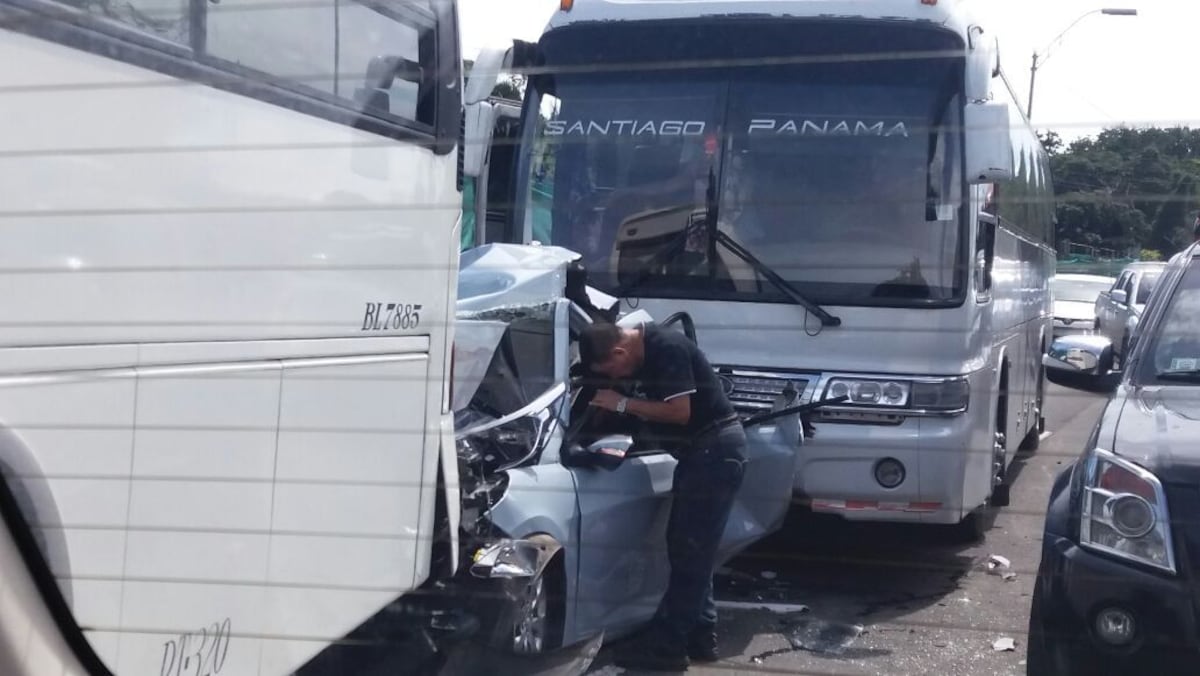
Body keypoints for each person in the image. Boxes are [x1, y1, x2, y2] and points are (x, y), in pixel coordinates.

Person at [580, 321, 746, 671]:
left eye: (614, 371)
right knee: (690, 549)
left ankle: (667, 644)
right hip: (702, 453)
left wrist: (623, 403)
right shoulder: (644, 351)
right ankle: (701, 634)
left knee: (690, 551)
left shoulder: (666, 347)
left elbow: (679, 411)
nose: (617, 379)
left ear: (620, 351)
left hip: (713, 451)